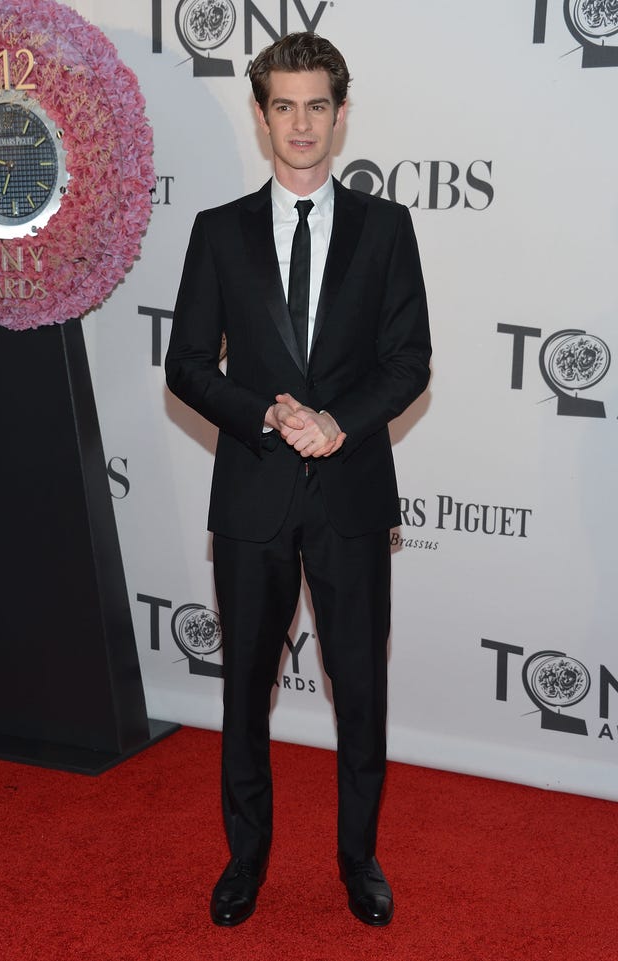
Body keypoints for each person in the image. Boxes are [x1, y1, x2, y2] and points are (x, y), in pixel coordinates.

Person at [165, 32, 431, 928]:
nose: (303, 123)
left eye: (318, 105)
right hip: (254, 494)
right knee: (245, 689)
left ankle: (360, 859)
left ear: (341, 113)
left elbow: (409, 359)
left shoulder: (386, 229)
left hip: (351, 493)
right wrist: (266, 414)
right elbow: (187, 363)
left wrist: (338, 422)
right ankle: (245, 859)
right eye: (285, 106)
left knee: (360, 690)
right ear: (262, 114)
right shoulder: (219, 231)